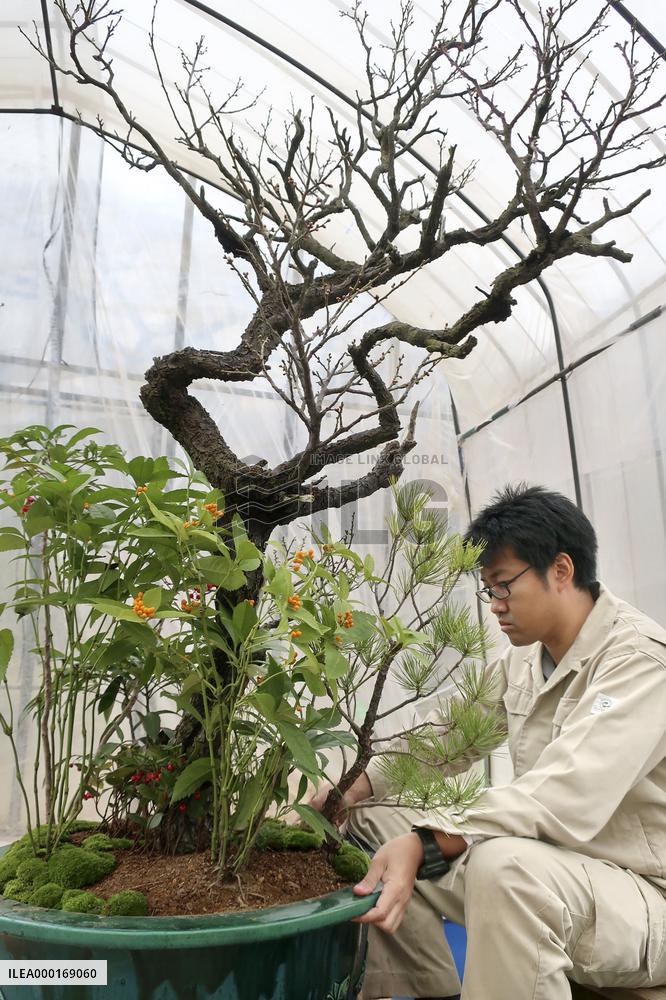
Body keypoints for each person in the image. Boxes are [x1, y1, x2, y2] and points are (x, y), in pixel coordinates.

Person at [311, 484, 666, 1000]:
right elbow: (443, 736)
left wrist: (429, 841)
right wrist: (350, 788)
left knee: (504, 869)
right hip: (555, 870)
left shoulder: (639, 663)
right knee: (367, 822)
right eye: (487, 590)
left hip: (642, 898)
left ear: (561, 571)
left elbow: (567, 791)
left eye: (503, 585)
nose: (495, 605)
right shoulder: (524, 658)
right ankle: (427, 991)